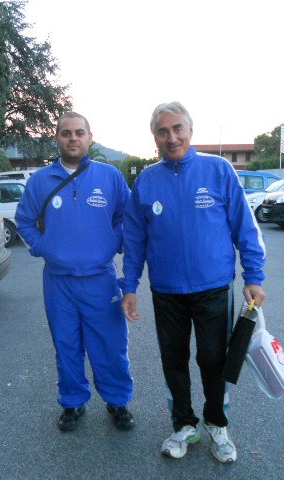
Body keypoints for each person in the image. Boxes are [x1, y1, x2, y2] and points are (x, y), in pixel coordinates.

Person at [121, 102, 266, 463]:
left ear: (190, 130)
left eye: (177, 129)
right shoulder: (146, 181)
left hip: (213, 288)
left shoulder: (218, 170)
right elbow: (135, 240)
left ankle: (217, 424)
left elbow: (245, 227)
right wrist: (129, 286)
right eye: (163, 131)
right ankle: (184, 425)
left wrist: (253, 277)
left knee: (214, 360)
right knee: (174, 360)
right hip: (166, 291)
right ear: (154, 137)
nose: (171, 137)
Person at [15, 111, 135, 432]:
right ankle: (72, 402)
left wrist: (114, 243)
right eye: (66, 133)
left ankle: (118, 400)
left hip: (101, 280)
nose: (73, 138)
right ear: (56, 138)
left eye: (79, 133)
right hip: (58, 283)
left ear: (89, 138)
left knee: (110, 345)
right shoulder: (41, 181)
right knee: (66, 346)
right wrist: (43, 247)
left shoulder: (110, 177)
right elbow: (24, 220)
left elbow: (127, 218)